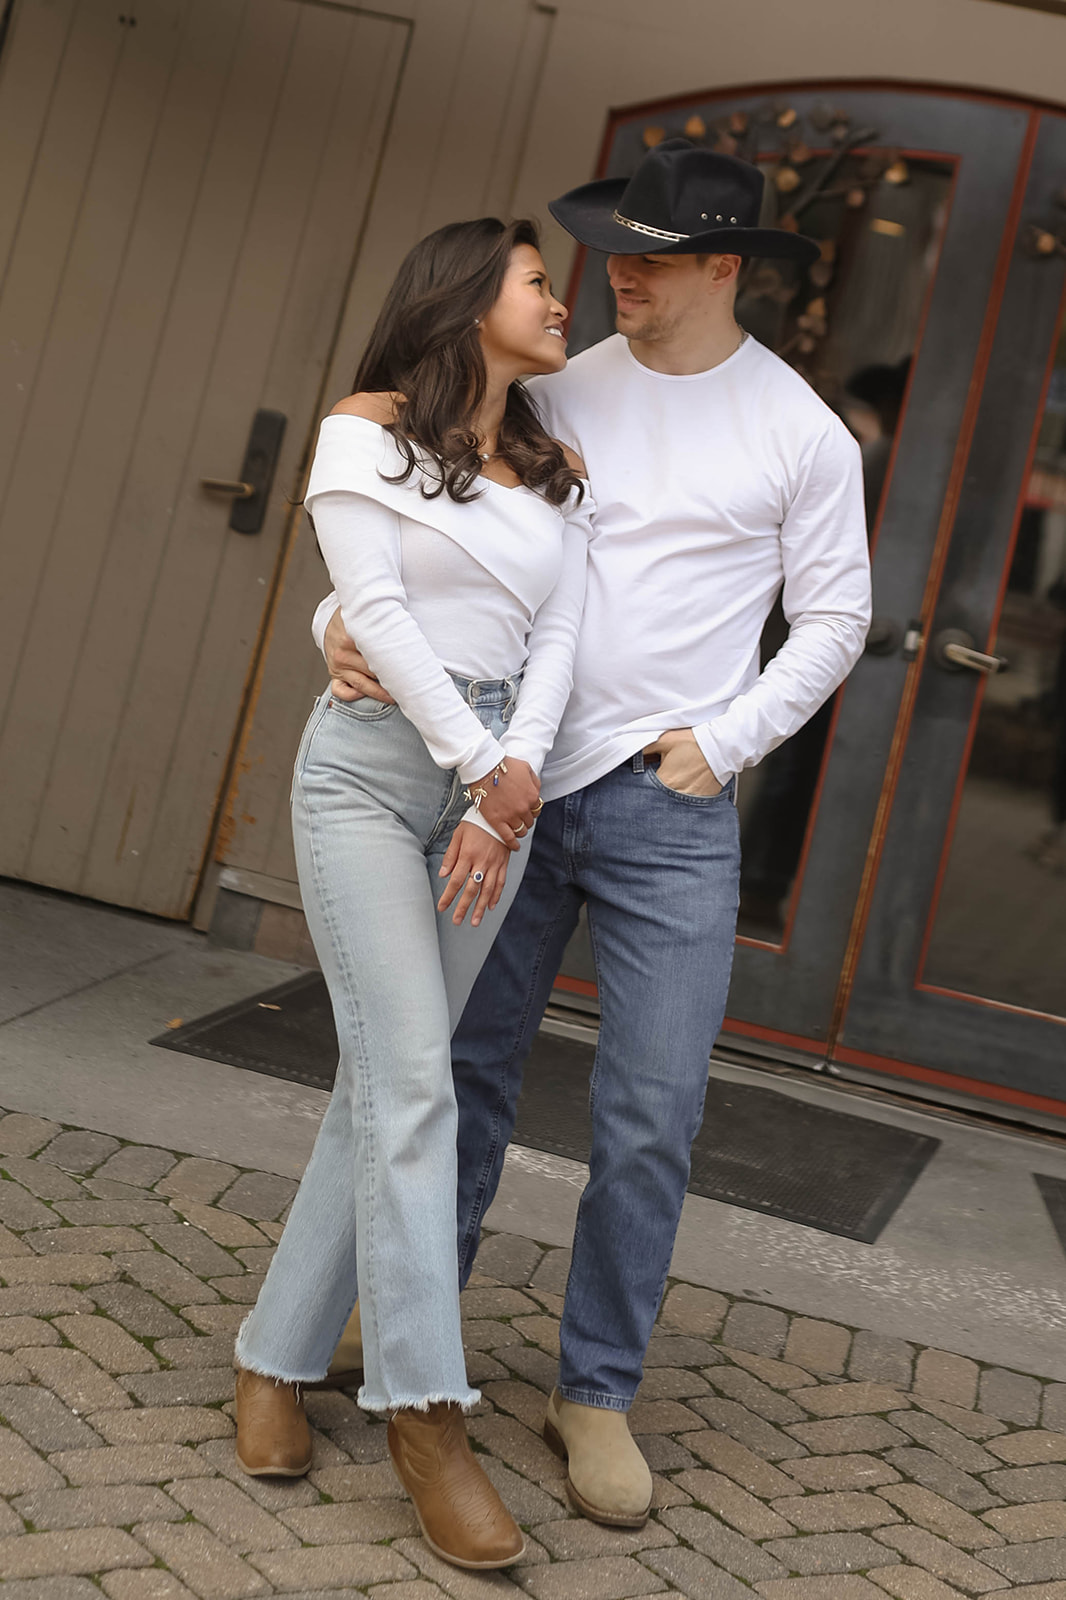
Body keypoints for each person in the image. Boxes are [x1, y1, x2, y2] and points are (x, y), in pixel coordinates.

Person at [318, 140, 872, 1529]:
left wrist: (722, 743)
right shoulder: (552, 394)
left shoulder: (798, 430)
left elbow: (837, 621)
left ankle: (595, 1390)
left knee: (649, 1113)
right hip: (507, 786)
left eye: (654, 253)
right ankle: (411, 1336)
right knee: (463, 1072)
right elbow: (418, 539)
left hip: (667, 806)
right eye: (609, 248)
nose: (616, 271)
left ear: (726, 266)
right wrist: (336, 632)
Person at [231, 217, 592, 1572]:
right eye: (537, 280)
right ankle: (423, 1413)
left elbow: (560, 631)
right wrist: (473, 763)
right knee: (416, 1085)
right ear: (462, 295)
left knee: (387, 1078)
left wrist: (517, 776)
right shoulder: (364, 427)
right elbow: (367, 610)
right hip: (375, 780)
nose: (559, 300)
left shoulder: (552, 460)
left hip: (493, 779)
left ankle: (272, 1361)